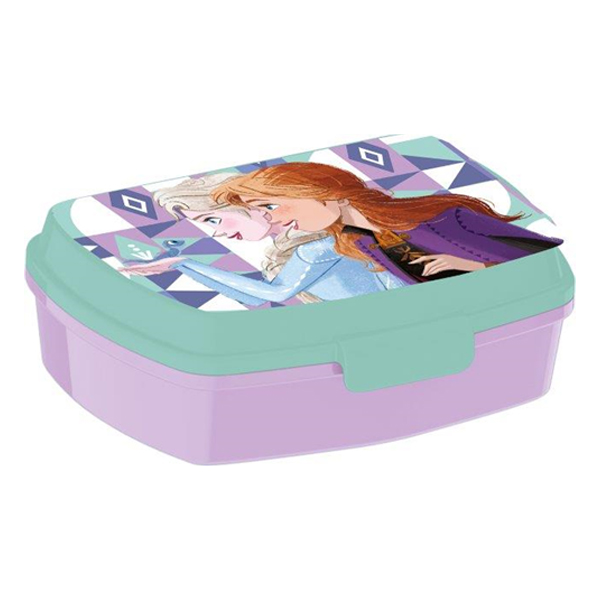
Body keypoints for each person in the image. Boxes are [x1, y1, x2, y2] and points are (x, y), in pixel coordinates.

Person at [210, 162, 563, 284]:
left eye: (270, 205)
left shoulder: (446, 216)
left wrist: (474, 266)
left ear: (325, 193)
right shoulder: (356, 242)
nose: (272, 218)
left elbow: (540, 256)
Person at [121, 173, 406, 305]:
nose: (218, 232)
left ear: (246, 205)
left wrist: (184, 264)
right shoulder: (296, 248)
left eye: (213, 219)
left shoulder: (320, 245)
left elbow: (273, 294)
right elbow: (253, 297)